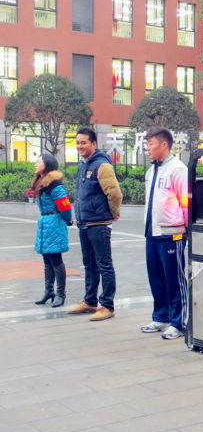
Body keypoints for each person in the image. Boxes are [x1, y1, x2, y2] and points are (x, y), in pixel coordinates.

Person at [68, 128, 122, 321]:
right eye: (77, 143)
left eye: (83, 142)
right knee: (89, 264)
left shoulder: (101, 165)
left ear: (93, 143)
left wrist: (113, 213)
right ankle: (90, 301)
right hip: (85, 222)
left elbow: (115, 194)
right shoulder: (83, 165)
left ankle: (107, 305)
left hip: (99, 223)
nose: (79, 146)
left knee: (104, 265)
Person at [140, 127, 189, 340]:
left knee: (174, 280)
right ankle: (160, 317)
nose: (147, 148)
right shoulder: (151, 171)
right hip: (152, 233)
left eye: (150, 144)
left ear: (164, 145)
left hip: (172, 234)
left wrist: (186, 229)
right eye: (146, 144)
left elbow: (186, 201)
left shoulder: (178, 169)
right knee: (156, 278)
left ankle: (179, 321)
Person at [29, 153, 73, 308]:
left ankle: (60, 294)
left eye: (39, 162)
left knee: (56, 260)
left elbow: (65, 205)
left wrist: (68, 219)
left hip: (54, 223)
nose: (36, 164)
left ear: (47, 165)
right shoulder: (40, 182)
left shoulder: (54, 184)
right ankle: (49, 291)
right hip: (45, 223)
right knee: (47, 260)